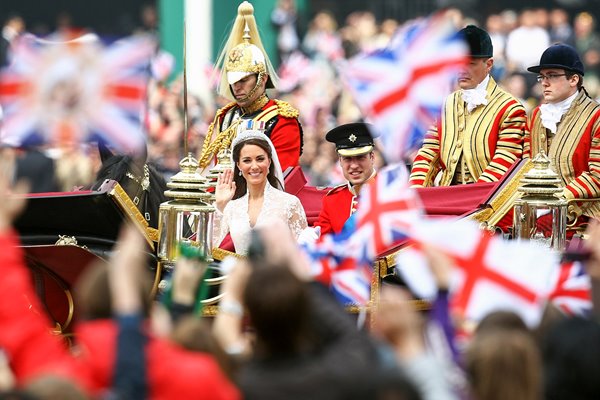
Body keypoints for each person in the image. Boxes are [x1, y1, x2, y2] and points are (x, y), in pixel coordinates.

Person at [409, 25, 527, 187]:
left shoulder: (510, 108)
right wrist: (416, 190)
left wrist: (471, 201)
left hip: (489, 202)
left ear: (489, 64)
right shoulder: (444, 105)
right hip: (448, 197)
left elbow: (504, 164)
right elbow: (428, 153)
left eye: (470, 63)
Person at [198, 1, 302, 173]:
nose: (236, 87)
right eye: (233, 81)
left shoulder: (282, 119)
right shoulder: (224, 117)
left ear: (262, 79)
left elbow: (281, 176)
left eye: (243, 80)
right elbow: (214, 171)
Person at [524, 43, 600, 221]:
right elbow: (526, 164)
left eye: (552, 76)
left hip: (584, 218)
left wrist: (556, 200)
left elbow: (598, 175)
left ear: (573, 80)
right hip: (538, 213)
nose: (544, 82)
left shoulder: (596, 116)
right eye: (542, 77)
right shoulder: (536, 115)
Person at [213, 130, 307, 254]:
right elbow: (205, 249)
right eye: (247, 160)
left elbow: (304, 253)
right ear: (239, 166)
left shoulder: (290, 203)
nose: (254, 166)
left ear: (269, 161)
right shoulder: (231, 207)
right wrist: (220, 205)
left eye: (260, 159)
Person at [314, 122, 376, 235]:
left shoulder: (390, 190)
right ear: (340, 161)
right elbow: (322, 242)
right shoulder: (332, 200)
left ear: (372, 157)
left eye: (360, 157)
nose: (354, 165)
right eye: (348, 159)